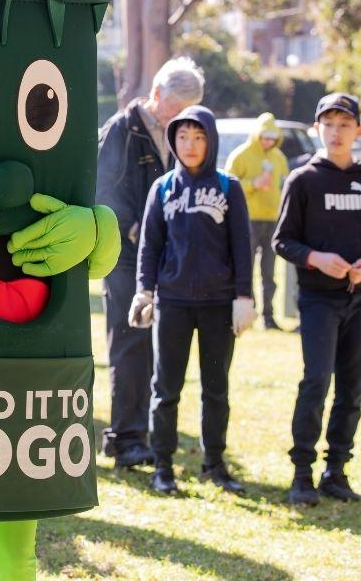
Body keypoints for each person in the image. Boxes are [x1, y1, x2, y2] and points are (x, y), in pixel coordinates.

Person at [273, 93, 361, 505]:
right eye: (328, 123)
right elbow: (282, 241)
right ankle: (302, 472)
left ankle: (337, 470)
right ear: (316, 130)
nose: (337, 131)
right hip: (318, 300)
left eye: (345, 124)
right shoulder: (303, 180)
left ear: (358, 130)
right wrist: (315, 258)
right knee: (315, 382)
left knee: (351, 387)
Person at [129, 105, 255, 495]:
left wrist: (244, 296)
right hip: (173, 303)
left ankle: (214, 464)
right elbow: (150, 245)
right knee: (165, 388)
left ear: (211, 141)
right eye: (183, 136)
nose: (190, 144)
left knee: (216, 388)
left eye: (199, 137)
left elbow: (242, 246)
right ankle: (163, 467)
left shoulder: (228, 186)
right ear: (174, 140)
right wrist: (144, 290)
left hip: (219, 305)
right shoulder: (162, 188)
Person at [95, 57, 203, 469]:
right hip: (123, 256)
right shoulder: (121, 131)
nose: (182, 121)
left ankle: (148, 432)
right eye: (176, 110)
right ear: (156, 95)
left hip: (165, 256)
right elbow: (101, 190)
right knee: (129, 340)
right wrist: (133, 227)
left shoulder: (180, 135)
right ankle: (124, 437)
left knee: (159, 344)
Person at [225, 112, 289, 330]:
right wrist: (253, 183)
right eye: (264, 137)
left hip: (272, 220)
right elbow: (228, 187)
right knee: (246, 268)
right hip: (247, 221)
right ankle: (247, 313)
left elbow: (284, 184)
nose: (268, 142)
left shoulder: (278, 157)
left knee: (269, 272)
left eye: (272, 138)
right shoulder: (241, 155)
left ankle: (269, 316)